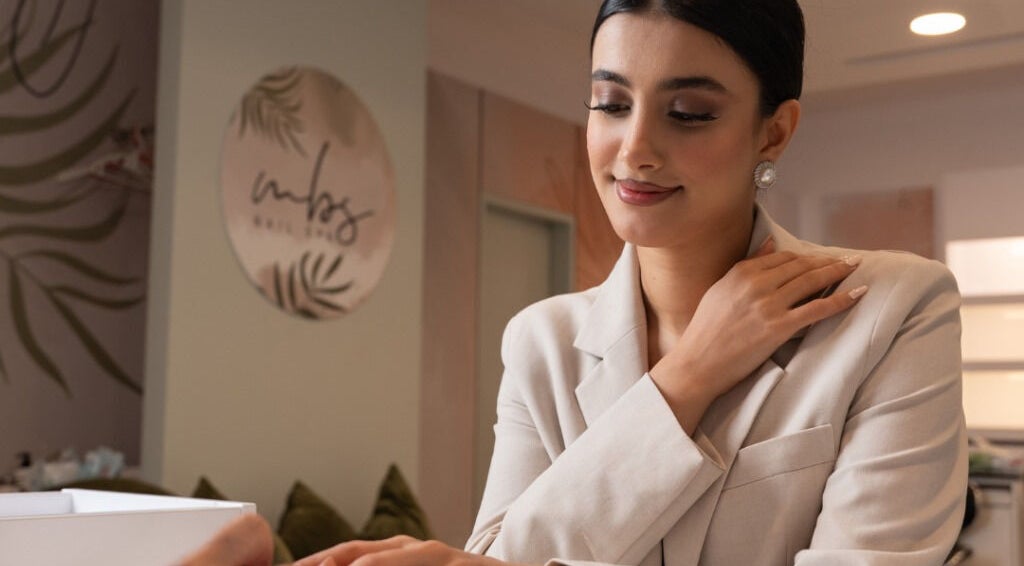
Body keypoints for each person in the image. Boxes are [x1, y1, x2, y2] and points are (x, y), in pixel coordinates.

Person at [182, 0, 967, 564]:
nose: (634, 150)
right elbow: (500, 556)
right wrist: (686, 379)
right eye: (609, 103)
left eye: (688, 112)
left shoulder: (894, 310)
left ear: (774, 130)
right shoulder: (542, 342)